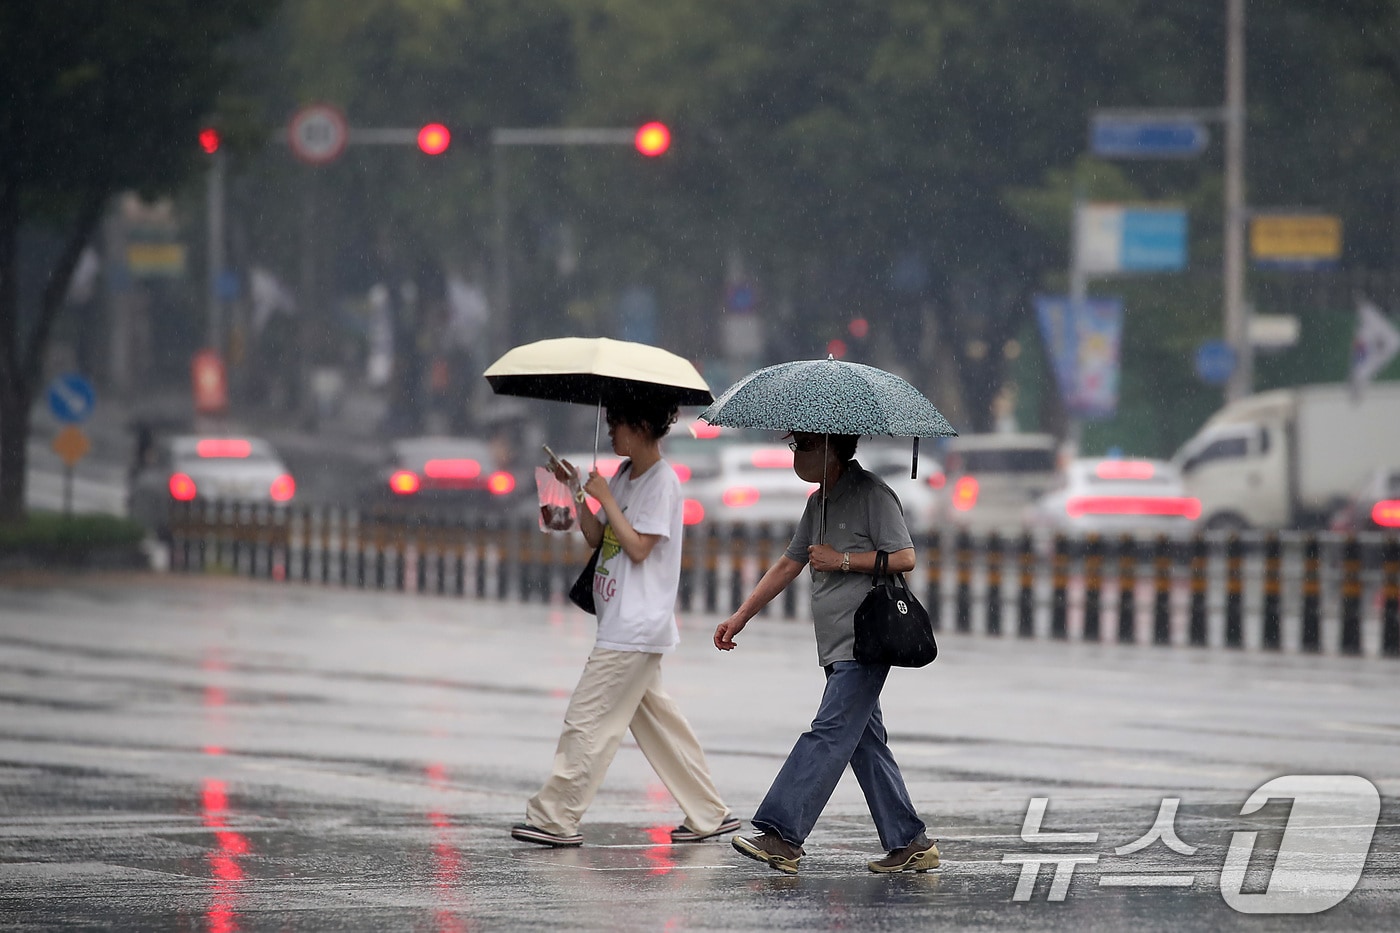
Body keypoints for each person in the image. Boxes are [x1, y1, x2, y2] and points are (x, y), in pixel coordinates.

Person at [511, 394, 740, 848]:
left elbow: (638, 547)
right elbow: (599, 536)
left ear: (639, 426)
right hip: (622, 620)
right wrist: (578, 490)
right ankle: (710, 812)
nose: (611, 431)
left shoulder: (662, 482)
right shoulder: (621, 475)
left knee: (587, 719)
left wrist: (604, 498)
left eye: (616, 423)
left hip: (635, 626)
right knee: (659, 725)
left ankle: (555, 815)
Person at [714, 431, 939, 875]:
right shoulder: (817, 502)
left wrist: (842, 560)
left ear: (832, 448)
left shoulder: (873, 494)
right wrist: (740, 616)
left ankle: (782, 835)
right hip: (835, 644)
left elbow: (905, 557)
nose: (796, 454)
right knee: (864, 743)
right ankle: (910, 842)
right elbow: (788, 563)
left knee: (830, 733)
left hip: (868, 640)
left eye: (804, 446)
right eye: (794, 445)